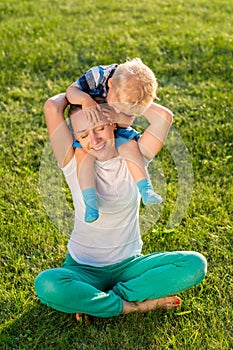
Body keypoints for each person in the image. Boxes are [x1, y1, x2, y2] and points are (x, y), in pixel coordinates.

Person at [34, 93, 207, 321]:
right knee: (47, 283)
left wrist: (116, 103)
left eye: (98, 128)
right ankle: (135, 306)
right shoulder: (71, 163)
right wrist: (83, 96)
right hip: (82, 269)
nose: (93, 140)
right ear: (76, 138)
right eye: (83, 134)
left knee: (194, 264)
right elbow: (52, 106)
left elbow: (164, 117)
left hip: (129, 266)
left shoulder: (137, 155)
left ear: (111, 123)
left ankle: (101, 300)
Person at [66, 58, 162, 223]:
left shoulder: (133, 96)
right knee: (83, 156)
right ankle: (90, 203)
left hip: (113, 127)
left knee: (130, 146)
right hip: (88, 128)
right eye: (117, 105)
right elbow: (71, 91)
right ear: (110, 84)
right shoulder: (97, 75)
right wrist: (84, 100)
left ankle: (146, 189)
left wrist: (118, 116)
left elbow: (126, 121)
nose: (118, 109)